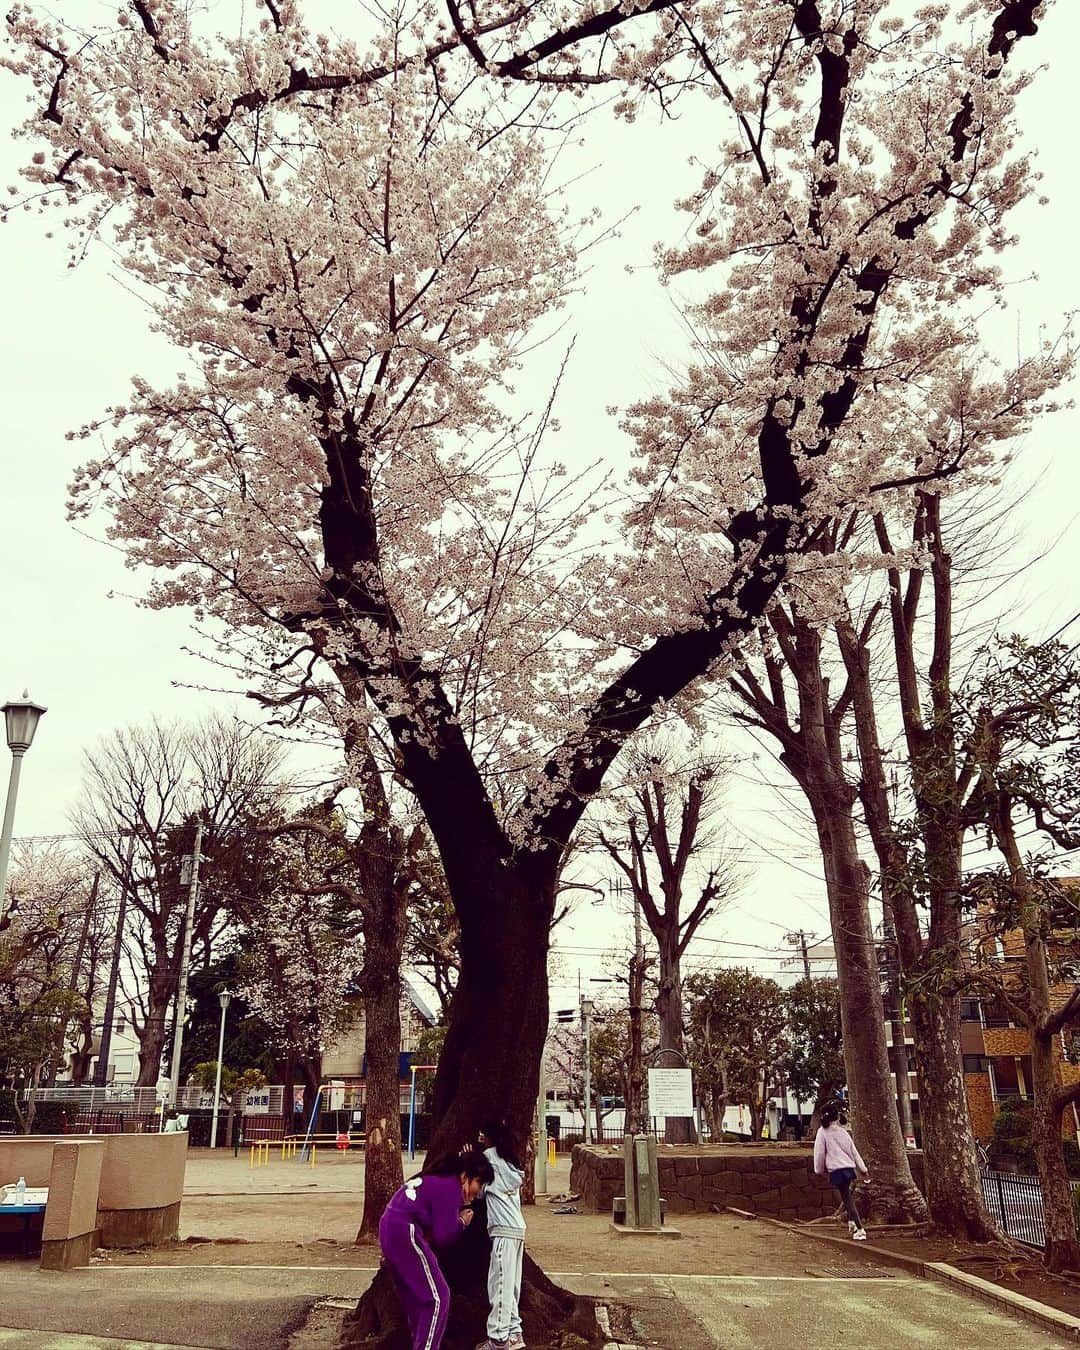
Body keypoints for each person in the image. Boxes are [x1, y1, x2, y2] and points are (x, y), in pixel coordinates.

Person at [379, 1148, 495, 1350]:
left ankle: (420, 1344)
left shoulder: (435, 1180)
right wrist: (462, 1221)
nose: (478, 1192)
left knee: (416, 1299)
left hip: (390, 1228)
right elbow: (444, 1236)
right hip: (406, 1231)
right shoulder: (450, 1187)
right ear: (465, 1177)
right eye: (479, 1183)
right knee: (438, 1298)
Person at [476, 1120, 527, 1350]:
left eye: (483, 1134)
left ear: (489, 1138)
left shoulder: (488, 1157)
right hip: (517, 1230)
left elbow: (477, 1191)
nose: (479, 1137)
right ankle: (514, 1332)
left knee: (499, 1284)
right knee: (511, 1285)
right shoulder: (510, 1162)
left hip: (503, 1230)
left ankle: (498, 1338)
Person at [813, 1101, 869, 1240]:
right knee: (846, 1195)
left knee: (847, 1198)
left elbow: (819, 1153)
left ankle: (860, 1228)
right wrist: (863, 1169)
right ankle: (851, 1222)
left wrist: (818, 1170)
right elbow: (854, 1152)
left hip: (837, 1170)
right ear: (837, 1116)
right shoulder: (843, 1132)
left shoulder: (822, 1132)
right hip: (849, 1169)